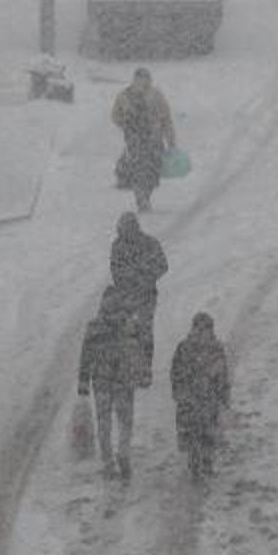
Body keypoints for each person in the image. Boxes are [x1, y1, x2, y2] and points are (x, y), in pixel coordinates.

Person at [78, 287, 144, 480]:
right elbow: (138, 352)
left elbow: (86, 355)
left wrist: (83, 381)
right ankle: (123, 452)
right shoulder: (130, 324)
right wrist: (141, 375)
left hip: (101, 381)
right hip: (124, 380)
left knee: (104, 424)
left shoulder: (94, 326)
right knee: (125, 422)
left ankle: (108, 463)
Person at [110, 212, 168, 387]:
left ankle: (144, 372)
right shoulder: (118, 246)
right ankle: (130, 371)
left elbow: (163, 265)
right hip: (126, 298)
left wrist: (145, 276)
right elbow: (115, 270)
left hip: (146, 296)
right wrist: (128, 278)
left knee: (145, 334)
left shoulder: (149, 243)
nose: (124, 232)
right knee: (128, 334)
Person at [170, 312, 230, 481]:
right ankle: (199, 463)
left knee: (202, 433)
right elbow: (175, 372)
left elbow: (222, 374)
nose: (204, 332)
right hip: (197, 399)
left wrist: (223, 395)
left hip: (199, 399)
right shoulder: (193, 348)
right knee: (198, 433)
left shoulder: (190, 347)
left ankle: (203, 462)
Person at [112, 68, 176, 212]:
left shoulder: (124, 95)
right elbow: (166, 118)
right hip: (153, 139)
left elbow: (115, 115)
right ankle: (144, 196)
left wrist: (126, 126)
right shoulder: (156, 95)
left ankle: (141, 196)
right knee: (151, 170)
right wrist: (170, 138)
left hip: (134, 140)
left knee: (139, 169)